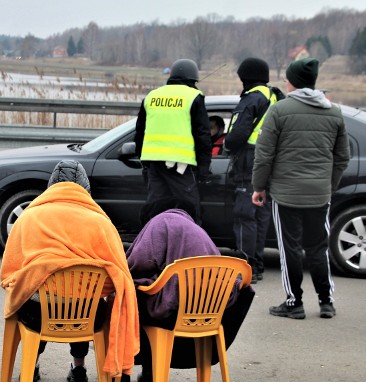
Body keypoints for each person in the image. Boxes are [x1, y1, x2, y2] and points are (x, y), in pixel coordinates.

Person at [0, 160, 139, 382]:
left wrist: (41, 277)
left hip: (38, 315)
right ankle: (79, 368)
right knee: (83, 301)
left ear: (51, 186)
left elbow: (9, 273)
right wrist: (85, 286)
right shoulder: (101, 222)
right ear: (85, 189)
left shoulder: (29, 217)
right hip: (87, 316)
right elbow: (118, 277)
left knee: (37, 297)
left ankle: (31, 366)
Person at [251, 58, 351, 319]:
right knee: (319, 247)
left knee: (290, 249)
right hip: (320, 194)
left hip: (285, 195)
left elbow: (264, 154)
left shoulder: (279, 111)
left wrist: (259, 186)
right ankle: (326, 301)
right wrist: (328, 186)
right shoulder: (334, 112)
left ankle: (294, 303)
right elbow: (342, 157)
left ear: (292, 82)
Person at [126, 199, 255, 382]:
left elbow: (139, 262)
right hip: (209, 315)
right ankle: (158, 374)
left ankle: (128, 372)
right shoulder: (199, 232)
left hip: (172, 312)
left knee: (127, 297)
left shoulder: (161, 222)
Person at [224, 57, 284, 284]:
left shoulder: (251, 99)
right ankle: (256, 266)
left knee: (244, 216)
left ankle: (245, 267)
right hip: (271, 163)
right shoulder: (276, 97)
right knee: (260, 216)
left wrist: (227, 144)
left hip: (249, 163)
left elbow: (236, 137)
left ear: (245, 77)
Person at [134, 58, 213, 225]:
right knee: (190, 208)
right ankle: (191, 244)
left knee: (154, 208)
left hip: (154, 164)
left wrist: (144, 160)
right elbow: (203, 136)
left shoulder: (152, 96)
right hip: (180, 166)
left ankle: (152, 242)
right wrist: (204, 169)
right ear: (193, 79)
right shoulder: (194, 97)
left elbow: (139, 132)